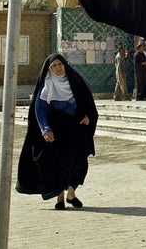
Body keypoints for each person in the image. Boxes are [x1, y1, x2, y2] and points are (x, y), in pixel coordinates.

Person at [16, 53, 99, 210]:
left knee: (80, 160)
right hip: (57, 130)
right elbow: (39, 109)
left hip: (76, 127)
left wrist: (88, 116)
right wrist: (45, 129)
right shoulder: (47, 85)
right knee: (59, 164)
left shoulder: (74, 81)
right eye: (54, 66)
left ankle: (71, 193)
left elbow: (87, 100)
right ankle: (60, 197)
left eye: (60, 64)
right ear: (49, 69)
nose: (58, 68)